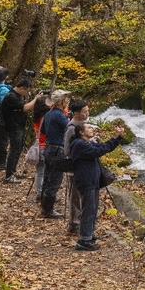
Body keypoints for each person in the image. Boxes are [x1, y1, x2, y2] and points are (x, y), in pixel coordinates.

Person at [68, 122, 125, 251]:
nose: (92, 129)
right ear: (81, 132)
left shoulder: (85, 143)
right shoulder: (79, 144)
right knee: (88, 210)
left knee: (92, 209)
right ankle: (84, 240)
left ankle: (88, 234)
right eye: (88, 127)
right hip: (86, 181)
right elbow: (100, 150)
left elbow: (102, 147)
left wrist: (117, 138)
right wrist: (114, 138)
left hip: (92, 181)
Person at [40, 89, 71, 218]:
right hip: (58, 149)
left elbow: (42, 130)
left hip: (48, 147)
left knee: (47, 177)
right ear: (62, 101)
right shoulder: (59, 115)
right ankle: (48, 210)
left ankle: (45, 207)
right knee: (55, 180)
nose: (67, 101)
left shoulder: (48, 114)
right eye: (66, 100)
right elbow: (70, 129)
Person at [0, 78, 34, 183]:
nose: (26, 94)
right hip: (13, 127)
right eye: (26, 91)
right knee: (14, 150)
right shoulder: (11, 97)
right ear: (22, 88)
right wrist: (36, 99)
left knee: (17, 150)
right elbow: (25, 108)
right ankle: (9, 175)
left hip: (18, 126)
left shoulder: (16, 96)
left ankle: (13, 171)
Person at [64, 99, 90, 235]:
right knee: (75, 195)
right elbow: (67, 149)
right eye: (85, 112)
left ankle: (80, 221)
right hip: (74, 166)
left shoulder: (81, 125)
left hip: (82, 165)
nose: (87, 114)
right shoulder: (72, 127)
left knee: (80, 195)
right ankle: (74, 224)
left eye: (88, 111)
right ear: (76, 113)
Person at [30, 94, 49, 202]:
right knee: (45, 171)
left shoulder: (36, 117)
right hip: (45, 146)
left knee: (39, 171)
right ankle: (43, 193)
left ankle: (39, 192)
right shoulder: (46, 118)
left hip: (38, 147)